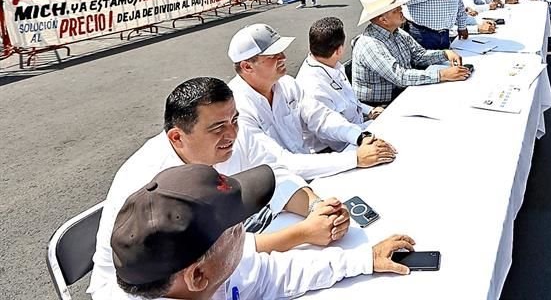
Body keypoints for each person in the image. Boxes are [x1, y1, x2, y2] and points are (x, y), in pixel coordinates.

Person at [88, 77, 348, 300]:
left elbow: (275, 174)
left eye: (235, 119)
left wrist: (318, 209)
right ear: (177, 137)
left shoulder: (231, 136)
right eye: (217, 127)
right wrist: (301, 234)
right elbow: (217, 256)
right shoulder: (153, 190)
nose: (232, 133)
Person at [110, 164, 416, 300]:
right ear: (198, 276)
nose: (247, 228)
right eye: (236, 226)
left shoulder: (212, 276)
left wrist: (365, 259)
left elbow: (272, 273)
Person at [227, 24, 397, 179]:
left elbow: (321, 117)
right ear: (247, 66)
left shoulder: (287, 84)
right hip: (279, 191)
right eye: (274, 55)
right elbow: (280, 162)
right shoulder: (236, 109)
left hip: (308, 172)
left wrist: (360, 136)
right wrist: (355, 158)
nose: (284, 57)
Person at [352, 0, 470, 105]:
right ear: (383, 20)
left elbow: (419, 55)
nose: (401, 10)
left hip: (399, 93)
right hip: (380, 105)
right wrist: (442, 75)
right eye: (396, 10)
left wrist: (445, 54)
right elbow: (399, 77)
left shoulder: (397, 32)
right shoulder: (370, 44)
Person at [295, 18, 384, 149]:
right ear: (339, 50)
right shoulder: (313, 87)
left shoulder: (331, 65)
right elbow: (333, 136)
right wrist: (371, 125)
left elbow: (350, 101)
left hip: (359, 128)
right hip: (338, 147)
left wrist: (370, 111)